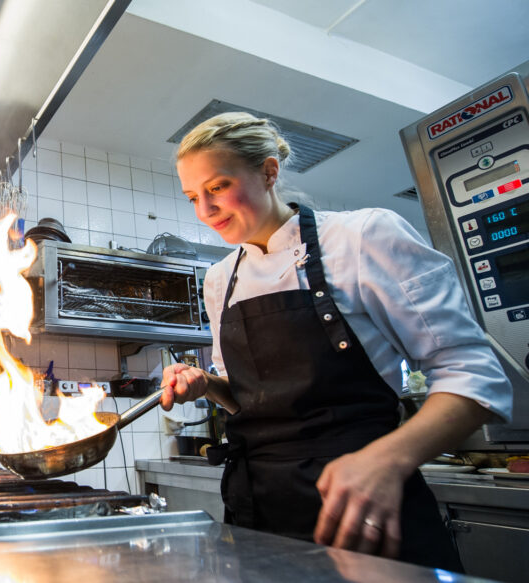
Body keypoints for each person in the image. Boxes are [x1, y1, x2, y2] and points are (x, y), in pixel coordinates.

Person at [160, 111, 512, 570]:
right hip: (257, 511)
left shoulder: (363, 237)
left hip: (363, 509)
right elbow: (246, 401)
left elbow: (476, 378)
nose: (204, 211)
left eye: (218, 187)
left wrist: (389, 460)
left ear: (269, 171)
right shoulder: (220, 279)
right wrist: (208, 384)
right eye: (192, 197)